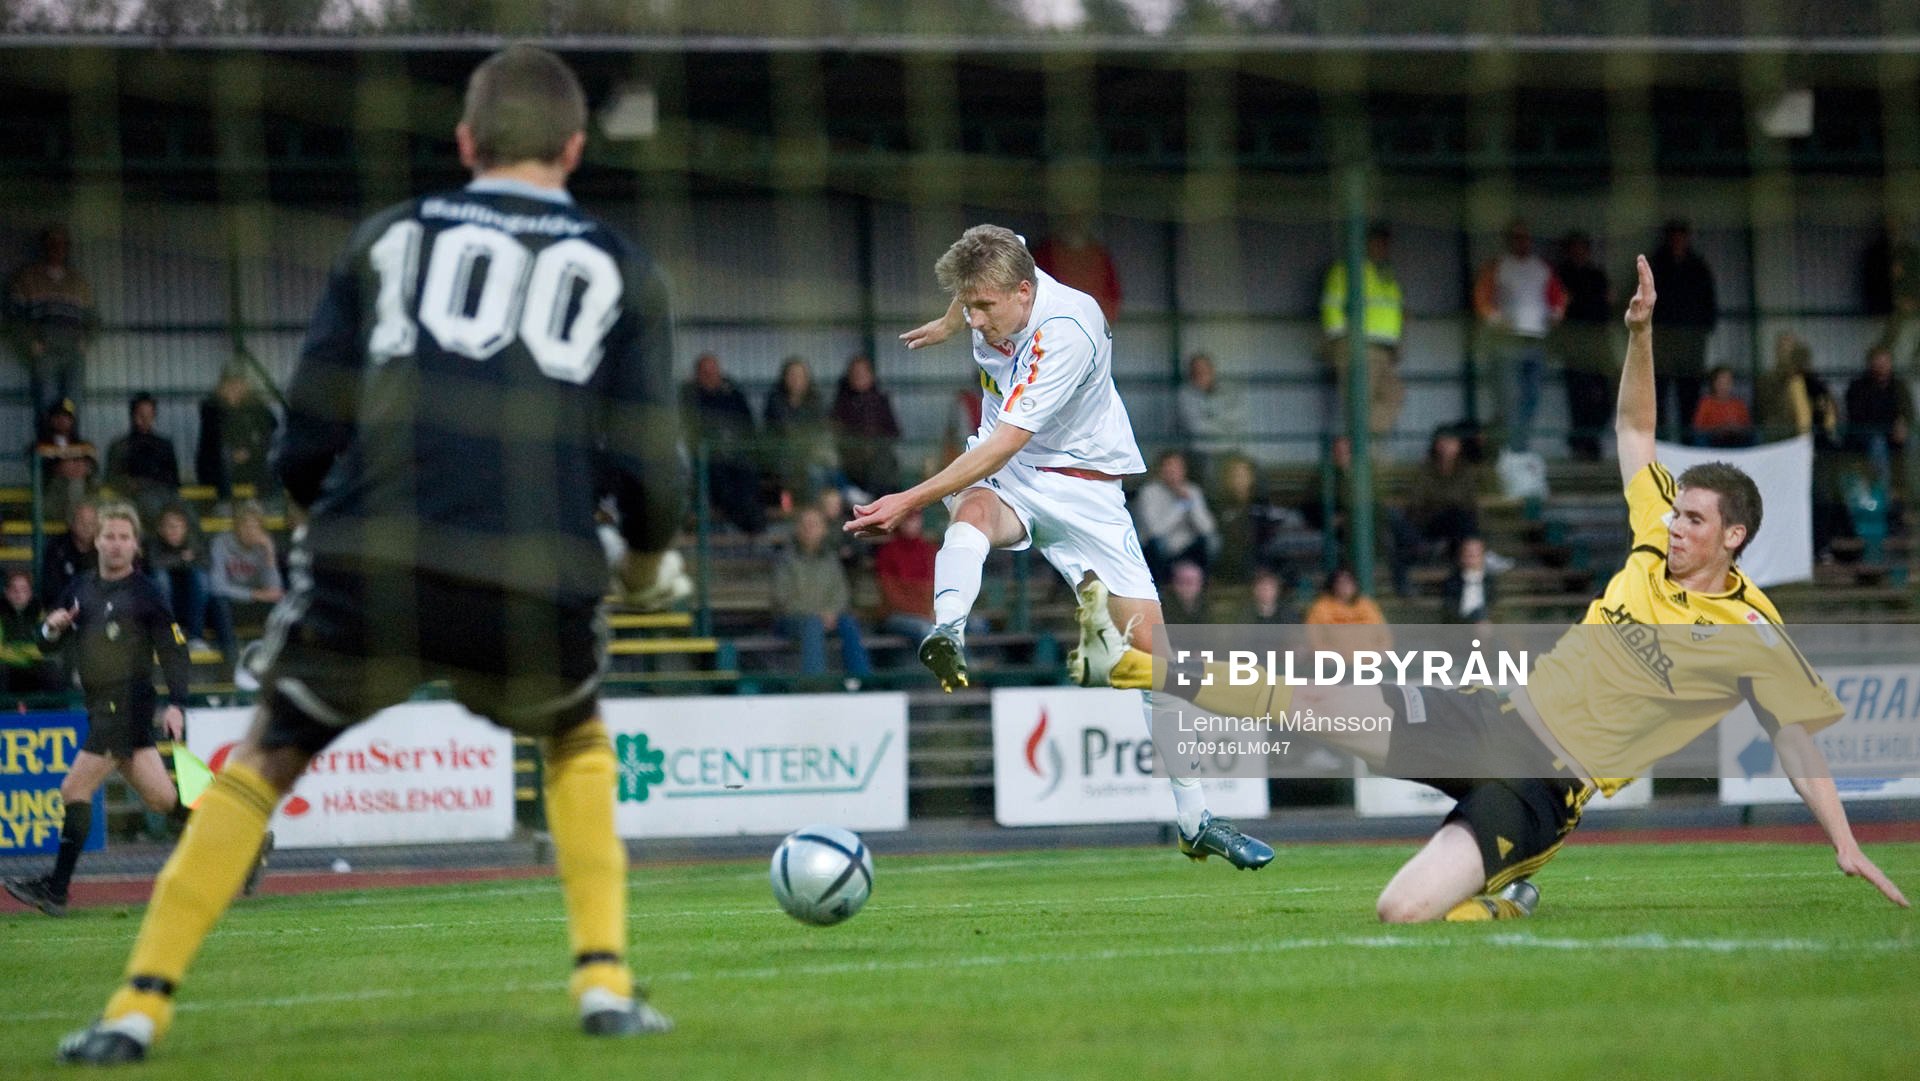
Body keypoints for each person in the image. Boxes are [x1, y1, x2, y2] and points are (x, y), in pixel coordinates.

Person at [51, 46, 687, 1064]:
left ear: (465, 142)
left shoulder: (385, 239)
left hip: (370, 555)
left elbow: (304, 436)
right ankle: (606, 983)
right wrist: (650, 561)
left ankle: (135, 1007)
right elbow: (654, 464)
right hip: (530, 568)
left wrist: (334, 531)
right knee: (574, 736)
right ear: (573, 148)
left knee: (264, 758)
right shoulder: (621, 267)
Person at [1073, 255, 1909, 923]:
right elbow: (1634, 429)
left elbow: (1796, 741)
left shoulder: (1752, 629)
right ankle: (1142, 667)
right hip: (1493, 716)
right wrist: (1642, 334)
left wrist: (1844, 841)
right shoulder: (1653, 532)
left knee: (1401, 909)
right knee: (1311, 704)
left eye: (1694, 518)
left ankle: (1506, 894)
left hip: (1544, 783)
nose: (1675, 523)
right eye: (1677, 509)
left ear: (1734, 537)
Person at [864, 224, 1272, 869]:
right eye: (968, 306)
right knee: (973, 510)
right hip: (1016, 480)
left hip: (1083, 490)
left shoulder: (1068, 332)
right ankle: (947, 632)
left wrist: (908, 499)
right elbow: (989, 248)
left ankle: (1195, 819)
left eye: (984, 309)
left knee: (1153, 660)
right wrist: (951, 321)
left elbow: (1005, 443)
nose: (977, 320)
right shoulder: (1000, 275)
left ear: (1024, 293)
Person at [4, 503, 189, 920]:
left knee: (73, 789)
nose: (117, 544)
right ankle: (248, 847)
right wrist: (51, 627)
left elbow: (174, 650)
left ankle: (56, 889)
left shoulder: (146, 593)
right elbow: (45, 642)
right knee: (162, 800)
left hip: (126, 707)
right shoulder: (81, 587)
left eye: (125, 537)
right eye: (110, 536)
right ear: (98, 541)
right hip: (99, 706)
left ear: (135, 545)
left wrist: (177, 702)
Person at [1474, 219, 1565, 454]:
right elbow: (1481, 298)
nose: (1521, 242)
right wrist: (1496, 320)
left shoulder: (1540, 267)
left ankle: (1519, 448)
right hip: (1508, 341)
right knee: (1509, 400)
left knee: (1531, 399)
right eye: (1516, 237)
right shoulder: (1499, 266)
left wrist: (1556, 314)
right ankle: (1508, 448)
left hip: (1535, 340)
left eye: (1525, 238)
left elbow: (1559, 295)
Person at [1319, 221, 1406, 439]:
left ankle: (1360, 441)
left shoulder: (1386, 274)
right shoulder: (1347, 270)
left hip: (1383, 349)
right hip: (1357, 346)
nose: (1383, 248)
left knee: (1394, 395)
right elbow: (1331, 307)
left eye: (1385, 243)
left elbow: (1392, 311)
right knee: (1359, 403)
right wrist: (1342, 343)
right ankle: (1358, 452)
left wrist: (1396, 345)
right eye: (1378, 242)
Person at [772, 507, 873, 686]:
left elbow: (841, 593)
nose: (810, 530)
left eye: (815, 525)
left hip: (829, 617)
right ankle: (815, 685)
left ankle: (862, 683)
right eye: (806, 525)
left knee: (848, 623)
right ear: (797, 528)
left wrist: (832, 613)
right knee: (812, 624)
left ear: (823, 529)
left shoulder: (830, 559)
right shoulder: (786, 560)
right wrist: (819, 614)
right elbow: (782, 598)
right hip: (792, 619)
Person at [6, 225, 97, 415]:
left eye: (62, 244)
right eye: (52, 243)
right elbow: (13, 317)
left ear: (67, 248)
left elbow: (94, 320)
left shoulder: (78, 282)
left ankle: (72, 444)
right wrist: (30, 343)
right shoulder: (27, 279)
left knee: (73, 405)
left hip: (73, 353)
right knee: (47, 403)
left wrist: (85, 342)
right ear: (44, 247)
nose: (57, 248)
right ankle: (47, 444)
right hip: (45, 353)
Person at [1647, 218, 1718, 442]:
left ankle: (1688, 442)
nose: (1678, 241)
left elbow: (1709, 300)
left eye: (1681, 236)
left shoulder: (1697, 266)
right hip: (1663, 340)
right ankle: (1661, 442)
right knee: (1659, 392)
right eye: (1674, 237)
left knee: (1689, 392)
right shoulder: (1657, 265)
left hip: (1691, 341)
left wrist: (1704, 326)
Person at [681, 351, 764, 534]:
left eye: (714, 372)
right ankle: (747, 520)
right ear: (698, 374)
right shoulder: (689, 397)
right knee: (718, 477)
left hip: (735, 451)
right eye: (706, 372)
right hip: (706, 456)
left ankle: (747, 515)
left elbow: (748, 425)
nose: (711, 377)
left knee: (748, 472)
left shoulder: (733, 393)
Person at [1554, 231, 1615, 460]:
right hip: (1573, 343)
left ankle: (1589, 438)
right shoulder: (1562, 276)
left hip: (1599, 342)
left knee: (1608, 393)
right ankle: (1582, 444)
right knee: (1578, 396)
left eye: (1582, 248)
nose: (1579, 253)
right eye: (1574, 248)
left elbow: (1608, 304)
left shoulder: (1597, 275)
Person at [147, 504, 233, 658]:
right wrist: (182, 558)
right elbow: (155, 563)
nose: (174, 531)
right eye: (169, 527)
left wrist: (180, 562)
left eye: (178, 526)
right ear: (160, 529)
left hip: (190, 599)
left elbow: (206, 562)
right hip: (165, 600)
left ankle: (195, 637)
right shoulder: (154, 542)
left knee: (202, 577)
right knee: (161, 578)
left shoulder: (195, 540)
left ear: (185, 528)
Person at [1132, 449, 1220, 582]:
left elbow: (1207, 528)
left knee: (1212, 541)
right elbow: (1156, 531)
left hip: (1187, 547)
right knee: (1157, 545)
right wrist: (1181, 506)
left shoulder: (1192, 490)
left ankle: (1209, 584)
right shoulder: (1149, 492)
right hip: (1161, 548)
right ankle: (1159, 587)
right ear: (1161, 470)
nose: (1173, 472)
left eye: (1177, 468)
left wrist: (1191, 504)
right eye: (1169, 468)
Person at [196, 365, 279, 504]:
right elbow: (214, 440)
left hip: (249, 463)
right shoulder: (210, 407)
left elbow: (272, 429)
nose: (235, 388)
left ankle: (268, 503)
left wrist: (250, 451)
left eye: (239, 383)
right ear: (222, 385)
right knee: (225, 454)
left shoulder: (256, 406)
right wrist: (229, 405)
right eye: (231, 384)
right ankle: (226, 502)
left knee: (274, 455)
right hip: (217, 468)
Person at [762, 355, 838, 501]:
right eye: (792, 375)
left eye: (800, 375)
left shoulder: (816, 401)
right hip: (784, 456)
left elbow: (819, 430)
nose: (796, 380)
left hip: (812, 455)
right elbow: (779, 431)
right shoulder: (775, 401)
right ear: (784, 377)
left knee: (819, 471)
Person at [1844, 345, 1914, 499]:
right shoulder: (1858, 387)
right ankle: (1886, 495)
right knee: (1878, 445)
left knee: (1914, 442)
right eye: (1878, 362)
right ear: (1870, 363)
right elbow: (1858, 416)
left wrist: (1902, 422)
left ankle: (1911, 493)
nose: (1882, 366)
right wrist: (1888, 426)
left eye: (1885, 361)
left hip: (1896, 435)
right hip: (1867, 436)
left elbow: (1909, 412)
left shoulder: (1899, 386)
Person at [830, 353, 902, 499]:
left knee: (885, 460)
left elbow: (894, 432)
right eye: (855, 373)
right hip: (850, 459)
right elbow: (836, 433)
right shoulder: (841, 403)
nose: (859, 377)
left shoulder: (881, 400)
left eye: (863, 373)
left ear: (871, 375)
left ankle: (878, 500)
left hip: (878, 458)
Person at [1030, 211, 1122, 323]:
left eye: (1079, 218)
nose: (1075, 223)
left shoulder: (1098, 255)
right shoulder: (1044, 254)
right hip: (1051, 326)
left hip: (1091, 326)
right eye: (1069, 218)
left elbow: (1112, 299)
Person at [105, 392, 183, 520]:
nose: (145, 419)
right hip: (135, 496)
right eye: (141, 415)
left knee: (186, 513)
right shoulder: (120, 446)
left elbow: (174, 479)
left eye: (149, 415)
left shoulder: (164, 445)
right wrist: (131, 484)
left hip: (164, 494)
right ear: (133, 415)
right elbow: (112, 478)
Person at [1174, 352, 1245, 478]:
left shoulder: (1229, 391)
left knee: (1244, 470)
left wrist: (1208, 419)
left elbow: (1237, 419)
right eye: (1196, 370)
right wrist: (1221, 424)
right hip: (1199, 453)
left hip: (1229, 449)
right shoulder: (1184, 394)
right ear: (1191, 373)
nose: (1201, 374)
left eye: (1204, 369)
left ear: (1212, 370)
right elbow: (1195, 427)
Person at [31, 398, 97, 523]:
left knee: (79, 483)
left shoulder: (85, 446)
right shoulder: (39, 446)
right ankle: (78, 524)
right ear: (51, 420)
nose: (62, 421)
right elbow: (41, 474)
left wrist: (83, 467)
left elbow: (93, 468)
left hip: (83, 500)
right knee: (75, 483)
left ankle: (80, 522)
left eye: (66, 417)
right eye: (58, 417)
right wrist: (60, 469)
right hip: (51, 502)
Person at [1301, 566, 1392, 656]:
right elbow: (1314, 639)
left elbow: (1384, 635)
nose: (1345, 586)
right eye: (1341, 583)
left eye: (1349, 582)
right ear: (1333, 585)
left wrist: (1382, 652)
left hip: (1368, 660)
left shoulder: (1366, 605)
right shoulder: (1321, 608)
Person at [2, 568, 64, 695]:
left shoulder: (39, 613)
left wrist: (22, 651)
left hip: (34, 666)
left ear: (30, 593)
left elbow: (45, 646)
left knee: (51, 670)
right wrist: (25, 655)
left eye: (24, 590)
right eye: (14, 590)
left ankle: (55, 712)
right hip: (8, 667)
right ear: (7, 593)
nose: (19, 595)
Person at [40, 499, 99, 609]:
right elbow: (51, 589)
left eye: (91, 523)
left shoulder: (103, 549)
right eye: (82, 522)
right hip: (63, 611)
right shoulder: (57, 547)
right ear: (72, 523)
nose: (86, 527)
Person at [1439, 535, 1497, 626]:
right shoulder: (1452, 582)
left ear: (1483, 556)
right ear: (1461, 557)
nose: (1472, 558)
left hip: (1485, 623)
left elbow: (1493, 605)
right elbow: (1450, 609)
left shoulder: (1490, 581)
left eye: (1476, 554)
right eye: (1468, 554)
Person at [1691, 366, 1755, 447]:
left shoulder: (1739, 404)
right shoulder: (1706, 403)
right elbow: (1698, 428)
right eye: (1721, 382)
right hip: (1712, 442)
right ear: (1714, 383)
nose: (1725, 386)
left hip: (1736, 441)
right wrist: (1717, 429)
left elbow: (1748, 427)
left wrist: (1735, 428)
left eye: (1728, 382)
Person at [1162, 560, 1211, 625]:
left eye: (1190, 582)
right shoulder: (1161, 610)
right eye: (1181, 581)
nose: (1186, 587)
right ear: (1173, 583)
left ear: (1200, 583)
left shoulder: (1211, 610)